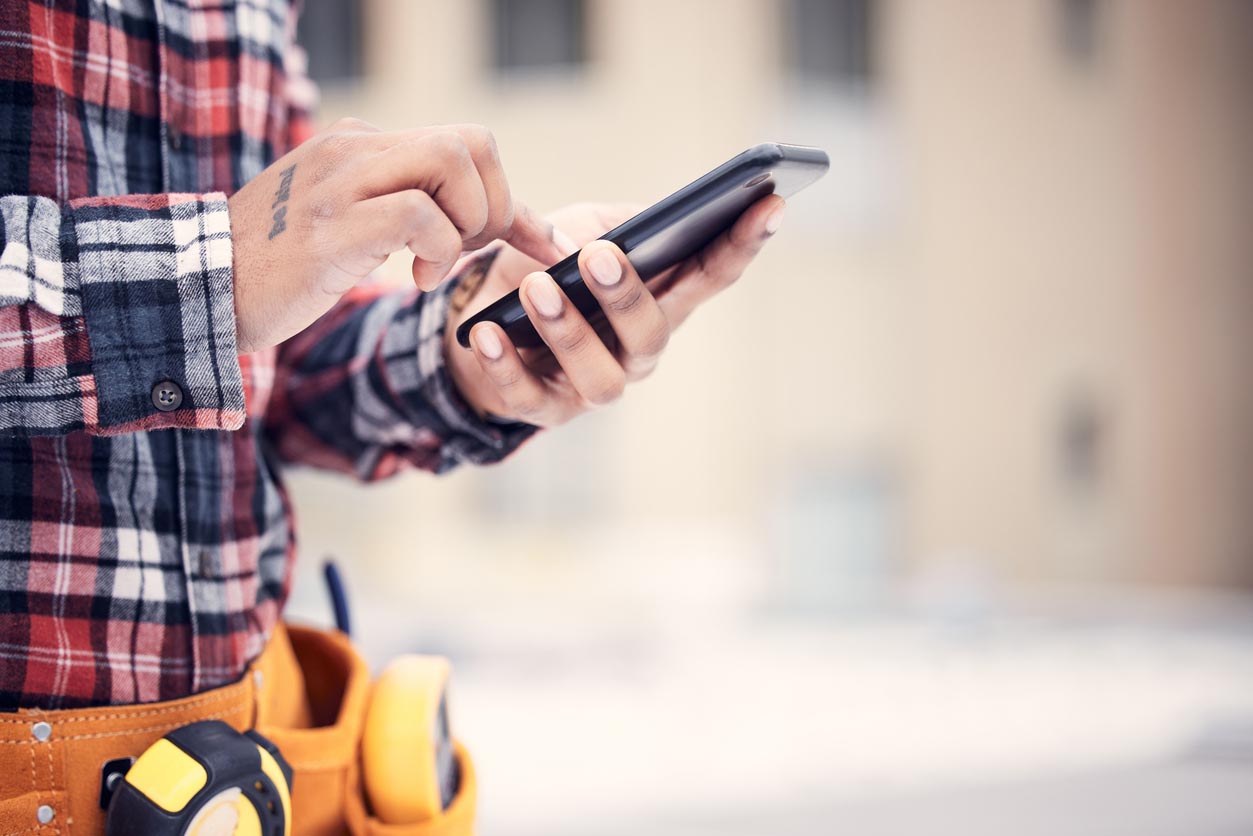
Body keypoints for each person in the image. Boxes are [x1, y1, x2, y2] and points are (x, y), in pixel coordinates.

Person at [0, 0, 781, 715]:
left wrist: (462, 354)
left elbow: (260, 364)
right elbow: (230, 280)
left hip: (244, 766)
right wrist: (206, 274)